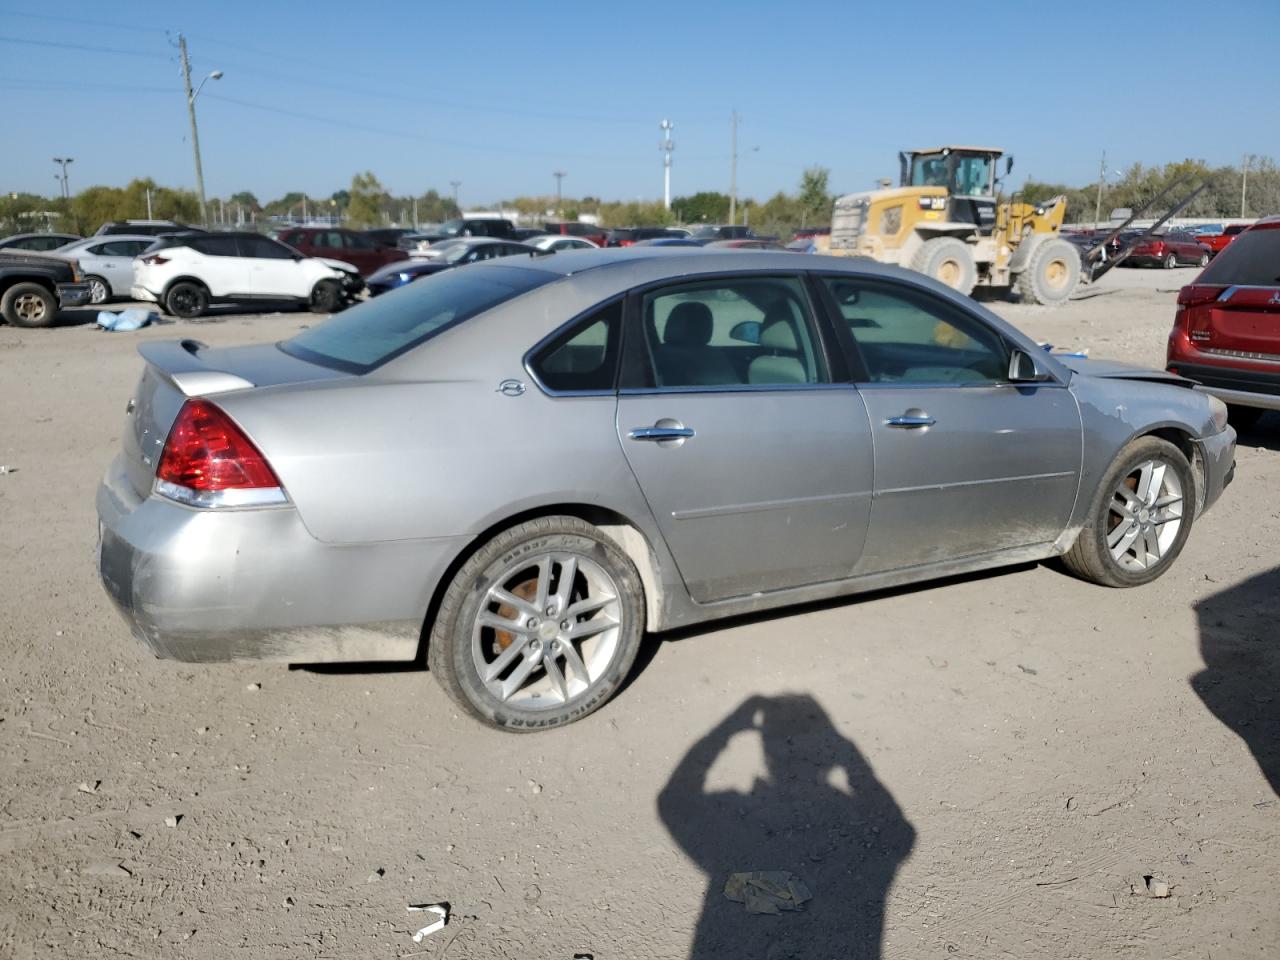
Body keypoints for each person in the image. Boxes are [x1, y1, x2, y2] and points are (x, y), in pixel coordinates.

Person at [658, 694, 915, 959]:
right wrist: (853, 759)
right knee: (794, 891)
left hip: (756, 926)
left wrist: (729, 728)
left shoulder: (739, 814)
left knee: (742, 884)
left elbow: (673, 802)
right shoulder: (845, 815)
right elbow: (899, 835)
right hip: (828, 928)